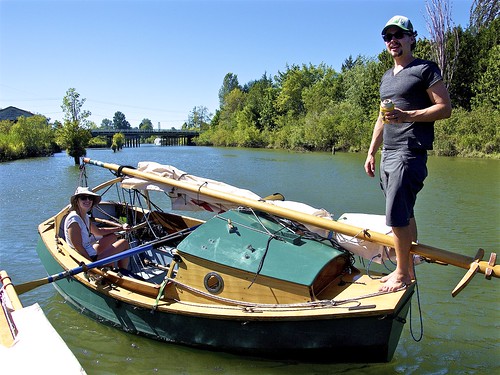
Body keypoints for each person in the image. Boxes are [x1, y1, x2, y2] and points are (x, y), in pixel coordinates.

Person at [364, 15, 452, 292]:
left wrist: (407, 115)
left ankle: (402, 274)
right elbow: (382, 118)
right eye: (388, 36)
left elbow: (445, 108)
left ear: (411, 38)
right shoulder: (387, 77)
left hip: (409, 151)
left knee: (396, 215)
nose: (393, 40)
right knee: (405, 212)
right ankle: (408, 268)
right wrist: (371, 151)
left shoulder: (425, 69)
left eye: (399, 35)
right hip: (389, 152)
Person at [64, 186, 131, 269]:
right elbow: (78, 247)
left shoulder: (84, 216)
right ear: (77, 201)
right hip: (87, 258)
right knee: (124, 243)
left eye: (90, 198)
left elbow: (99, 232)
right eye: (83, 198)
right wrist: (91, 265)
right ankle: (123, 271)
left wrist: (120, 228)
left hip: (90, 251)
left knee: (112, 236)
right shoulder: (74, 220)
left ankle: (109, 263)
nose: (87, 200)